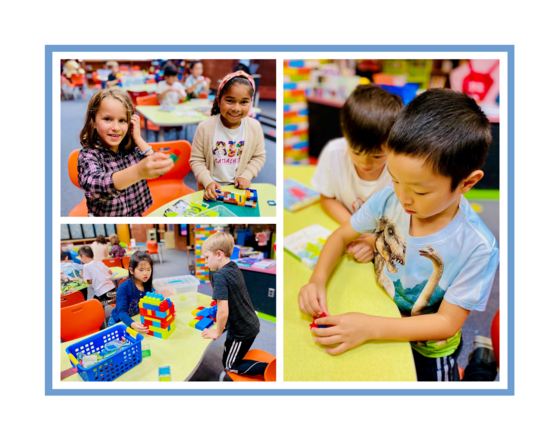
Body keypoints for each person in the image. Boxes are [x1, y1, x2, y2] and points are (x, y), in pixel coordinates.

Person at [298, 89, 499, 382]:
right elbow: (342, 235)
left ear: (467, 183)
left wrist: (370, 327)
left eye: (420, 190)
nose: (403, 198)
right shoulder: (388, 198)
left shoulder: (478, 247)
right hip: (380, 317)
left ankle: (482, 362)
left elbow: (445, 323)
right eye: (394, 178)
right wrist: (316, 280)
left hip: (429, 349)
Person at [311, 84, 403, 223]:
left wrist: (370, 238)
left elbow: (405, 216)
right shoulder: (333, 153)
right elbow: (327, 199)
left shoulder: (400, 163)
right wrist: (355, 229)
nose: (365, 163)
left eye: (377, 156)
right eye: (356, 152)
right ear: (345, 132)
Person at [77, 89, 174, 216]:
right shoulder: (88, 155)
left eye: (122, 120)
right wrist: (137, 172)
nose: (116, 127)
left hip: (135, 214)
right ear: (94, 121)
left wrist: (139, 139)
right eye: (107, 119)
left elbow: (159, 170)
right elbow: (94, 186)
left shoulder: (132, 148)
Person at [189, 71, 266, 200]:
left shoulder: (254, 127)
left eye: (244, 102)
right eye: (230, 101)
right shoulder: (204, 127)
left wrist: (246, 175)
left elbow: (258, 157)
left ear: (250, 103)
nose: (236, 108)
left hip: (238, 190)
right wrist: (208, 182)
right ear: (219, 101)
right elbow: (196, 160)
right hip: (210, 191)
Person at [200, 232, 266, 378]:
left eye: (206, 257)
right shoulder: (233, 266)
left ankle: (267, 369)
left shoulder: (219, 276)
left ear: (218, 254)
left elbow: (223, 312)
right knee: (228, 354)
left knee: (230, 365)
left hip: (242, 331)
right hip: (248, 323)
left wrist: (217, 332)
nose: (205, 263)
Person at [108, 252, 155, 334]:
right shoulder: (124, 288)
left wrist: (164, 313)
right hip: (118, 323)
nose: (146, 273)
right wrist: (132, 324)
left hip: (136, 320)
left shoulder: (149, 288)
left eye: (148, 269)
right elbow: (121, 312)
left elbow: (153, 306)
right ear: (132, 270)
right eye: (141, 270)